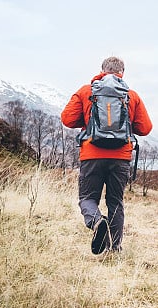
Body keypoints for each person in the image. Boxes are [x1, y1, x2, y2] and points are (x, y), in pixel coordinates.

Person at [61, 56, 152, 254]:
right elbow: (145, 128)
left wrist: (89, 124)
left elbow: (67, 119)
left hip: (91, 155)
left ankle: (96, 221)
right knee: (115, 203)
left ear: (102, 70)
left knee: (87, 198)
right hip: (120, 157)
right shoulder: (131, 95)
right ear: (122, 73)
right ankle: (114, 250)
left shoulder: (86, 91)